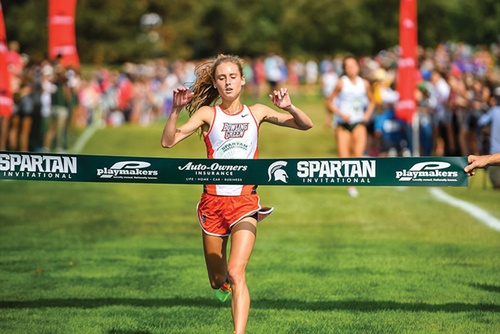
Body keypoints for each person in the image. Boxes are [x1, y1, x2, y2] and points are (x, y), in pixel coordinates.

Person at [160, 54, 313, 334]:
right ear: (216, 85)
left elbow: (305, 124)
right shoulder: (208, 114)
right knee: (218, 280)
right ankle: (222, 286)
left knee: (236, 271)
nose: (228, 82)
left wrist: (290, 107)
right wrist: (174, 111)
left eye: (233, 77)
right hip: (212, 205)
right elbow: (168, 142)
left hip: (245, 203)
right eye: (222, 78)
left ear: (243, 80)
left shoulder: (256, 112)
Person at [326, 55, 375, 197]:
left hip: (358, 122)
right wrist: (340, 114)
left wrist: (367, 115)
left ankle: (352, 185)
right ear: (344, 69)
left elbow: (372, 101)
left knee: (358, 154)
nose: (351, 69)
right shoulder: (341, 83)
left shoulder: (364, 83)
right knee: (343, 157)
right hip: (343, 124)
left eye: (353, 65)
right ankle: (349, 185)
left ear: (358, 67)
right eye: (347, 66)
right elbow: (329, 102)